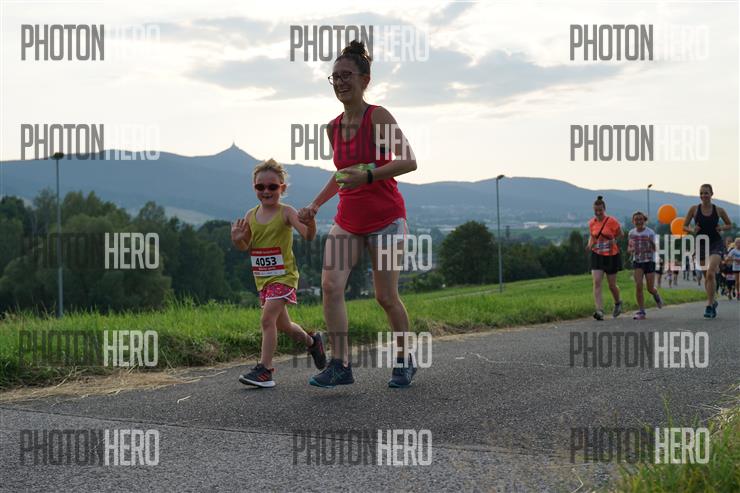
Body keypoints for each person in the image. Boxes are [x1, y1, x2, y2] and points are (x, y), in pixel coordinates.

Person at [298, 40, 419, 388]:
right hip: (348, 219)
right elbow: (341, 173)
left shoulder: (377, 116)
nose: (339, 82)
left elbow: (409, 160)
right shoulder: (333, 127)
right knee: (330, 286)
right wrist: (316, 204)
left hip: (386, 219)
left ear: (365, 80)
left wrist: (368, 176)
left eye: (346, 75)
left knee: (386, 297)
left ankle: (405, 359)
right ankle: (340, 364)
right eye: (334, 77)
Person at [231, 159, 327, 388]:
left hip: (284, 277)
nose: (266, 191)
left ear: (282, 188)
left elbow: (308, 235)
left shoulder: (286, 212)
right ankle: (312, 342)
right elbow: (246, 247)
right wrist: (237, 240)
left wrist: (311, 222)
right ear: (254, 187)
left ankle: (265, 371)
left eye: (272, 187)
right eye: (260, 187)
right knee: (283, 325)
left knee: (267, 320)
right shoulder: (251, 215)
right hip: (263, 280)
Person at [682, 184, 733, 318]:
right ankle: (713, 300)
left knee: (711, 272)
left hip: (716, 243)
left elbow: (729, 224)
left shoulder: (719, 210)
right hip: (701, 244)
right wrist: (692, 230)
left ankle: (709, 305)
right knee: (707, 277)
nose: (703, 195)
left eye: (706, 193)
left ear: (711, 194)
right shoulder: (694, 209)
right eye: (701, 193)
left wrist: (721, 228)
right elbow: (684, 226)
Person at [587, 195, 623, 320]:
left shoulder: (612, 221)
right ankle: (599, 311)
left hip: (611, 256)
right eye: (596, 210)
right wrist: (589, 245)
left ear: (604, 209)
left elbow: (621, 234)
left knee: (612, 285)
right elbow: (592, 236)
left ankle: (618, 302)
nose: (598, 213)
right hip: (597, 254)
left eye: (600, 210)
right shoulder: (592, 222)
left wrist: (614, 240)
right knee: (597, 281)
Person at [627, 211, 664, 319]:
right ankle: (641, 311)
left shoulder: (650, 232)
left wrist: (650, 241)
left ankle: (656, 295)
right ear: (633, 221)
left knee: (650, 288)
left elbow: (655, 249)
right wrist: (631, 250)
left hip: (649, 261)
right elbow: (629, 248)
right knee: (638, 286)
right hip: (638, 261)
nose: (638, 221)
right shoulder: (631, 233)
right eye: (636, 219)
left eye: (641, 219)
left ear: (644, 220)